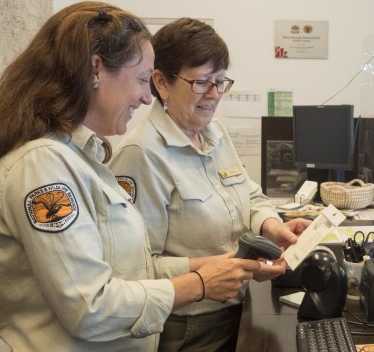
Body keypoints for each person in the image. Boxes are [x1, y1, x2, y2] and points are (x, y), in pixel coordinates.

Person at [0, 1, 261, 352]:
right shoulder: (40, 167)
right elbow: (89, 307)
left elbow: (129, 273)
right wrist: (198, 284)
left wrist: (217, 267)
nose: (144, 96)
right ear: (96, 69)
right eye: (141, 79)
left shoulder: (82, 157)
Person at [108, 17, 311, 351]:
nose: (214, 95)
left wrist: (274, 227)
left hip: (236, 308)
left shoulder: (215, 134)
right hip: (188, 326)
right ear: (161, 82)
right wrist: (222, 269)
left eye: (220, 81)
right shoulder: (141, 155)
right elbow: (137, 271)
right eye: (201, 82)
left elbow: (251, 194)